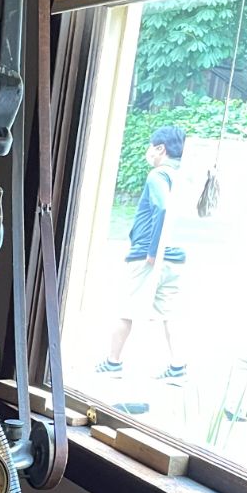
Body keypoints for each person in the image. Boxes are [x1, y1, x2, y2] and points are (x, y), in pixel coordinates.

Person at [95, 125, 186, 383]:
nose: (150, 151)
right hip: (175, 257)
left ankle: (113, 362)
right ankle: (178, 367)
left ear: (161, 148)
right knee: (169, 313)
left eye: (151, 146)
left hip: (149, 255)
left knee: (126, 307)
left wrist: (152, 250)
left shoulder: (158, 175)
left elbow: (162, 209)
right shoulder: (182, 177)